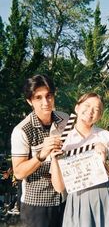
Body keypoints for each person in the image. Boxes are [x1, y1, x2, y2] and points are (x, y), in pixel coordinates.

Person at [50, 92, 109, 227]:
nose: (90, 111)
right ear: (77, 108)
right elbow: (59, 187)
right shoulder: (64, 140)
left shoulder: (105, 136)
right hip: (79, 198)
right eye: (87, 105)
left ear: (99, 116)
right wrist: (54, 159)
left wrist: (106, 159)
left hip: (107, 197)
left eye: (96, 109)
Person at [11, 74, 69, 227]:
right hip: (37, 205)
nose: (45, 102)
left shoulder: (65, 120)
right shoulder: (22, 130)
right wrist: (41, 155)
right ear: (30, 101)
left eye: (49, 96)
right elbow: (18, 172)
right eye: (38, 97)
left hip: (64, 199)